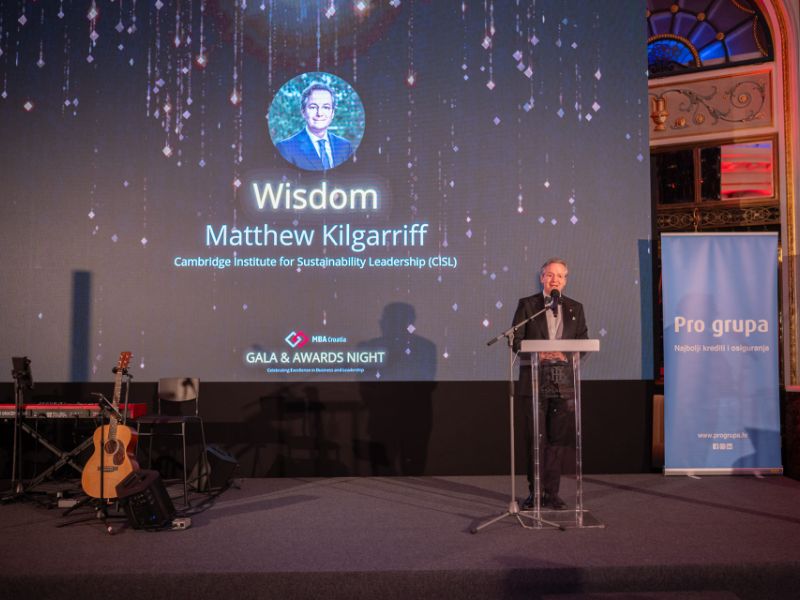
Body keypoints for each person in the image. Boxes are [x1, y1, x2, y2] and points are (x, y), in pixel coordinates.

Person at [511, 258, 588, 510]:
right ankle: (535, 492)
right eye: (550, 275)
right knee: (535, 438)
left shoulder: (576, 308)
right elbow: (515, 340)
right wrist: (539, 353)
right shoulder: (528, 305)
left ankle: (551, 493)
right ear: (542, 277)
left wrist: (564, 354)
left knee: (557, 440)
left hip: (562, 382)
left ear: (565, 280)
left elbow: (583, 341)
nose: (555, 279)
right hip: (534, 380)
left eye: (560, 276)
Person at [275, 82, 353, 171]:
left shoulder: (345, 146)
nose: (319, 113)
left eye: (326, 107)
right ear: (303, 112)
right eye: (313, 107)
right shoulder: (286, 148)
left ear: (332, 113)